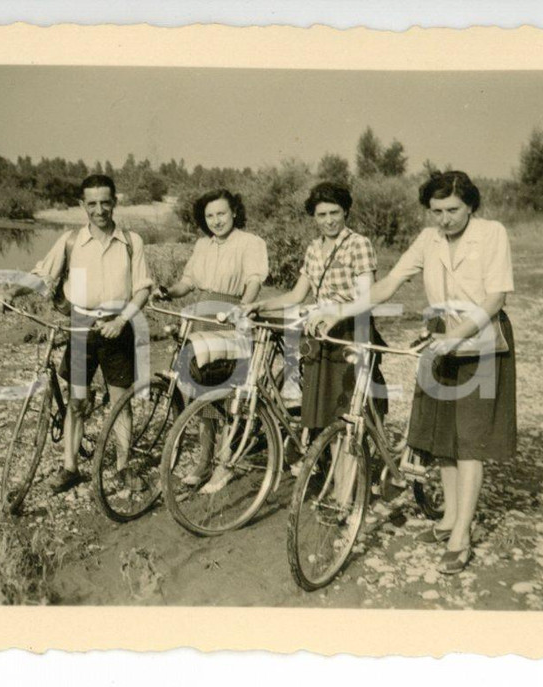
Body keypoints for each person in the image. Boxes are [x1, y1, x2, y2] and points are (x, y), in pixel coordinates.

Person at [309, 171, 517, 574]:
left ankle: (463, 535)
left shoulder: (492, 233)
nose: (445, 219)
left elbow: (495, 298)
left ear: (470, 205)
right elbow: (388, 283)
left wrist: (455, 335)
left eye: (453, 210)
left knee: (470, 439)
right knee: (444, 437)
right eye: (436, 211)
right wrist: (339, 310)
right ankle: (450, 518)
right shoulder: (429, 240)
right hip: (442, 334)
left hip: (481, 336)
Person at [0, 174, 153, 493]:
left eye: (105, 202)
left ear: (115, 202)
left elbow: (142, 289)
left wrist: (122, 320)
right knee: (77, 401)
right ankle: (70, 468)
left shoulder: (132, 242)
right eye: (91, 203)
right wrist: (11, 294)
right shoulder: (70, 241)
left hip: (118, 329)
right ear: (82, 205)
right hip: (81, 329)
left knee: (121, 401)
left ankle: (122, 467)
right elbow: (42, 276)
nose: (99, 210)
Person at [245, 180, 386, 442]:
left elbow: (368, 297)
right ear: (314, 217)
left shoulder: (359, 244)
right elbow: (297, 295)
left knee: (345, 409)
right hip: (318, 333)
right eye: (322, 215)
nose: (329, 220)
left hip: (349, 330)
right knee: (319, 406)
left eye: (335, 213)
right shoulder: (313, 249)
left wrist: (334, 312)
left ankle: (351, 473)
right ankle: (324, 465)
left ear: (345, 212)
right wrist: (260, 305)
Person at [155, 189, 268, 489]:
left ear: (234, 212)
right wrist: (167, 291)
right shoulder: (202, 245)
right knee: (200, 391)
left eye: (221, 213)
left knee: (225, 391)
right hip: (201, 317)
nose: (216, 220)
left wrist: (243, 310)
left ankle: (225, 461)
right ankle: (205, 460)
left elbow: (254, 279)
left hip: (229, 316)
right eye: (209, 216)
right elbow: (188, 282)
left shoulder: (250, 242)